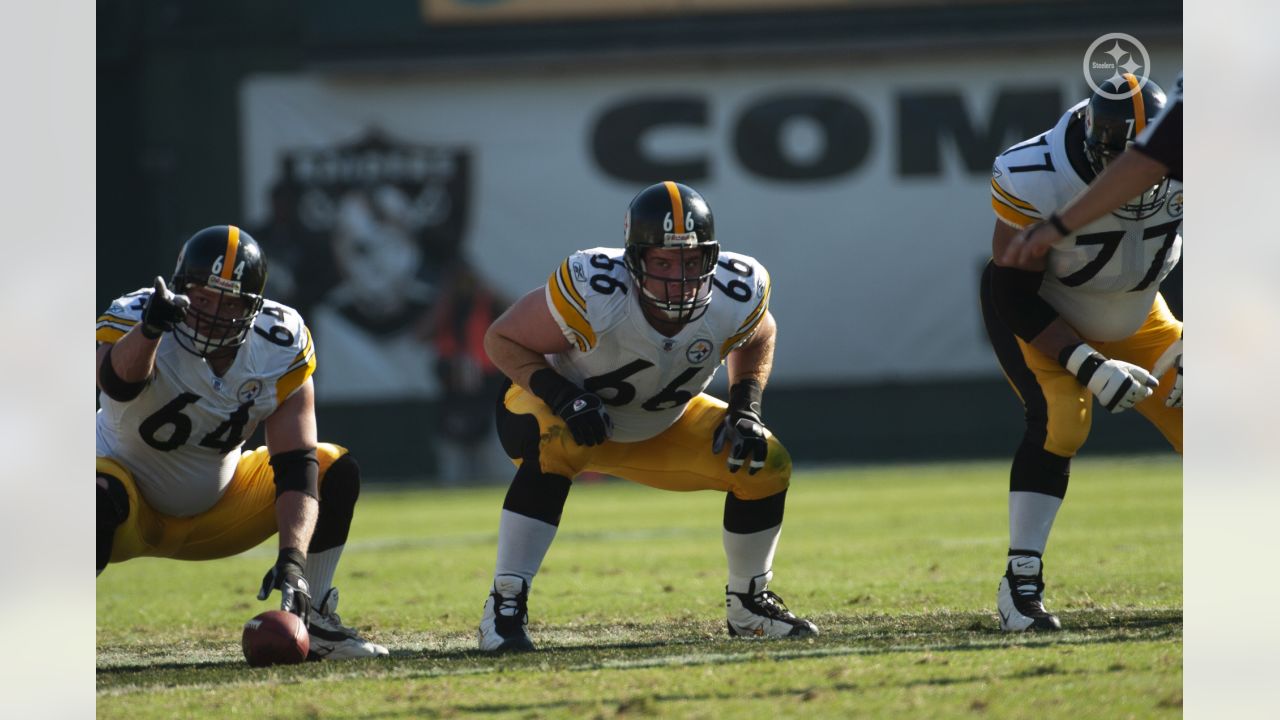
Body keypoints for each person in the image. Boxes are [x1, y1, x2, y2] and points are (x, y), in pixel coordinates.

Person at [476, 181, 817, 651]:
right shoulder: (596, 291)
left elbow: (760, 332)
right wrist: (563, 396)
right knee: (561, 442)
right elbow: (502, 338)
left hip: (661, 422)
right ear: (635, 260)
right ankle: (504, 604)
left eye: (691, 261)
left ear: (710, 258)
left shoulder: (734, 293)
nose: (679, 277)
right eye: (663, 262)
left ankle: (749, 603)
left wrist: (746, 407)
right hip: (561, 415)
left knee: (764, 460)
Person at [96, 225, 389, 660]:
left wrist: (293, 559)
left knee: (333, 468)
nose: (214, 313)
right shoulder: (138, 312)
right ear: (180, 290)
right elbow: (115, 385)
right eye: (203, 298)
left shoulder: (279, 343)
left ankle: (312, 618)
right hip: (122, 508)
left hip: (219, 509)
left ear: (253, 306)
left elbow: (296, 464)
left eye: (231, 302)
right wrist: (150, 329)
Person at [981, 74, 1183, 632]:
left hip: (1138, 312)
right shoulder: (1037, 174)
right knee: (1062, 423)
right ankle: (1019, 583)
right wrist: (1087, 363)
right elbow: (1010, 291)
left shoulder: (1201, 151)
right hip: (1049, 314)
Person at [1002, 72, 1183, 267]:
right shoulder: (1035, 174)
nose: (1136, 185)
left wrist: (1057, 227)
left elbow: (1147, 165)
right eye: (1115, 162)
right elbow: (1147, 164)